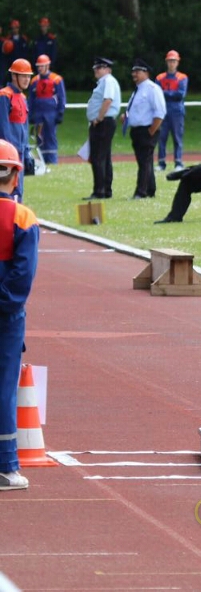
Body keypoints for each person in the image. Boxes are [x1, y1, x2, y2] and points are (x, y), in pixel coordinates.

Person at [0, 139, 39, 490]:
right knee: (4, 387)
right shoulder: (22, 216)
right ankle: (6, 466)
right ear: (15, 175)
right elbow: (22, 274)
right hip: (6, 315)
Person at [120, 59, 166, 199]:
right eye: (133, 71)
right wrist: (127, 117)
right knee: (144, 161)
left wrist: (151, 131)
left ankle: (141, 192)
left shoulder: (152, 89)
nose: (134, 74)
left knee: (144, 162)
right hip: (137, 131)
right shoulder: (138, 90)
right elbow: (138, 110)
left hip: (147, 130)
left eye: (137, 71)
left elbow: (160, 112)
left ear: (146, 73)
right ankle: (150, 189)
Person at [84, 58, 121, 200]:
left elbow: (107, 100)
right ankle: (104, 190)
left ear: (107, 69)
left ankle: (100, 191)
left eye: (99, 68)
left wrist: (99, 118)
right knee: (103, 157)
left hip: (103, 122)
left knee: (98, 157)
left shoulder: (108, 81)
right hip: (103, 121)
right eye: (95, 68)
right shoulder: (105, 82)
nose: (96, 70)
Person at [0, 59, 32, 202]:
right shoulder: (4, 96)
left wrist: (26, 151)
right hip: (8, 155)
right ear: (14, 76)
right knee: (7, 190)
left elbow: (24, 126)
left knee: (19, 191)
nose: (27, 79)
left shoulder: (23, 97)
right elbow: (3, 127)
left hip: (20, 154)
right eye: (23, 76)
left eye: (28, 76)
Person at [27, 54, 65, 166]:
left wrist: (60, 113)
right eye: (38, 66)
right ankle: (41, 161)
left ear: (47, 66)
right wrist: (30, 114)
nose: (40, 68)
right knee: (39, 136)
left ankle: (52, 160)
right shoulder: (34, 81)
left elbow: (62, 97)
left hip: (51, 113)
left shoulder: (56, 80)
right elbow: (31, 99)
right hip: (39, 113)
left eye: (42, 66)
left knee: (51, 136)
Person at [155, 50, 188, 172]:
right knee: (161, 137)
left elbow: (180, 94)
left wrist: (164, 93)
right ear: (166, 62)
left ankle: (178, 162)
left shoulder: (182, 77)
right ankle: (161, 162)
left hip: (177, 111)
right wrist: (170, 94)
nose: (172, 63)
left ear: (177, 62)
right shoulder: (160, 77)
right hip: (162, 111)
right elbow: (156, 94)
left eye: (174, 61)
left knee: (177, 137)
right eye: (170, 61)